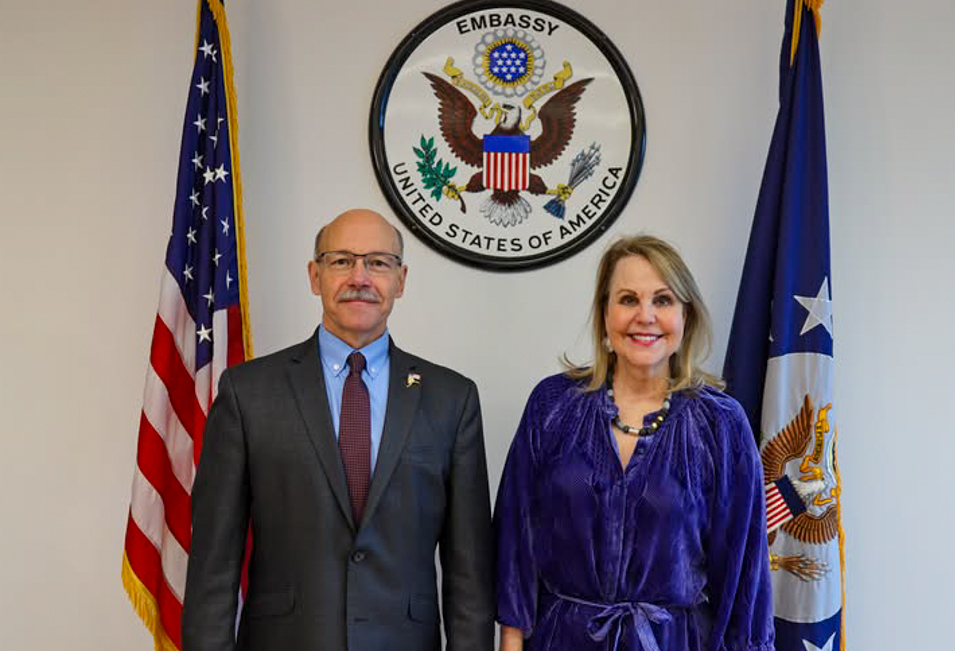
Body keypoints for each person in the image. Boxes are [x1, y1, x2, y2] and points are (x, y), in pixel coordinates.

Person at [182, 209, 495, 651]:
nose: (360, 277)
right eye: (342, 261)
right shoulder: (247, 393)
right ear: (315, 276)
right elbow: (214, 567)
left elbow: (471, 576)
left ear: (401, 280)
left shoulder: (451, 400)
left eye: (379, 263)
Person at [494, 235, 774, 651]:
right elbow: (516, 541)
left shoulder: (721, 422)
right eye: (628, 299)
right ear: (605, 314)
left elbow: (744, 571)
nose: (645, 316)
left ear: (686, 316)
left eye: (662, 300)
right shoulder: (553, 405)